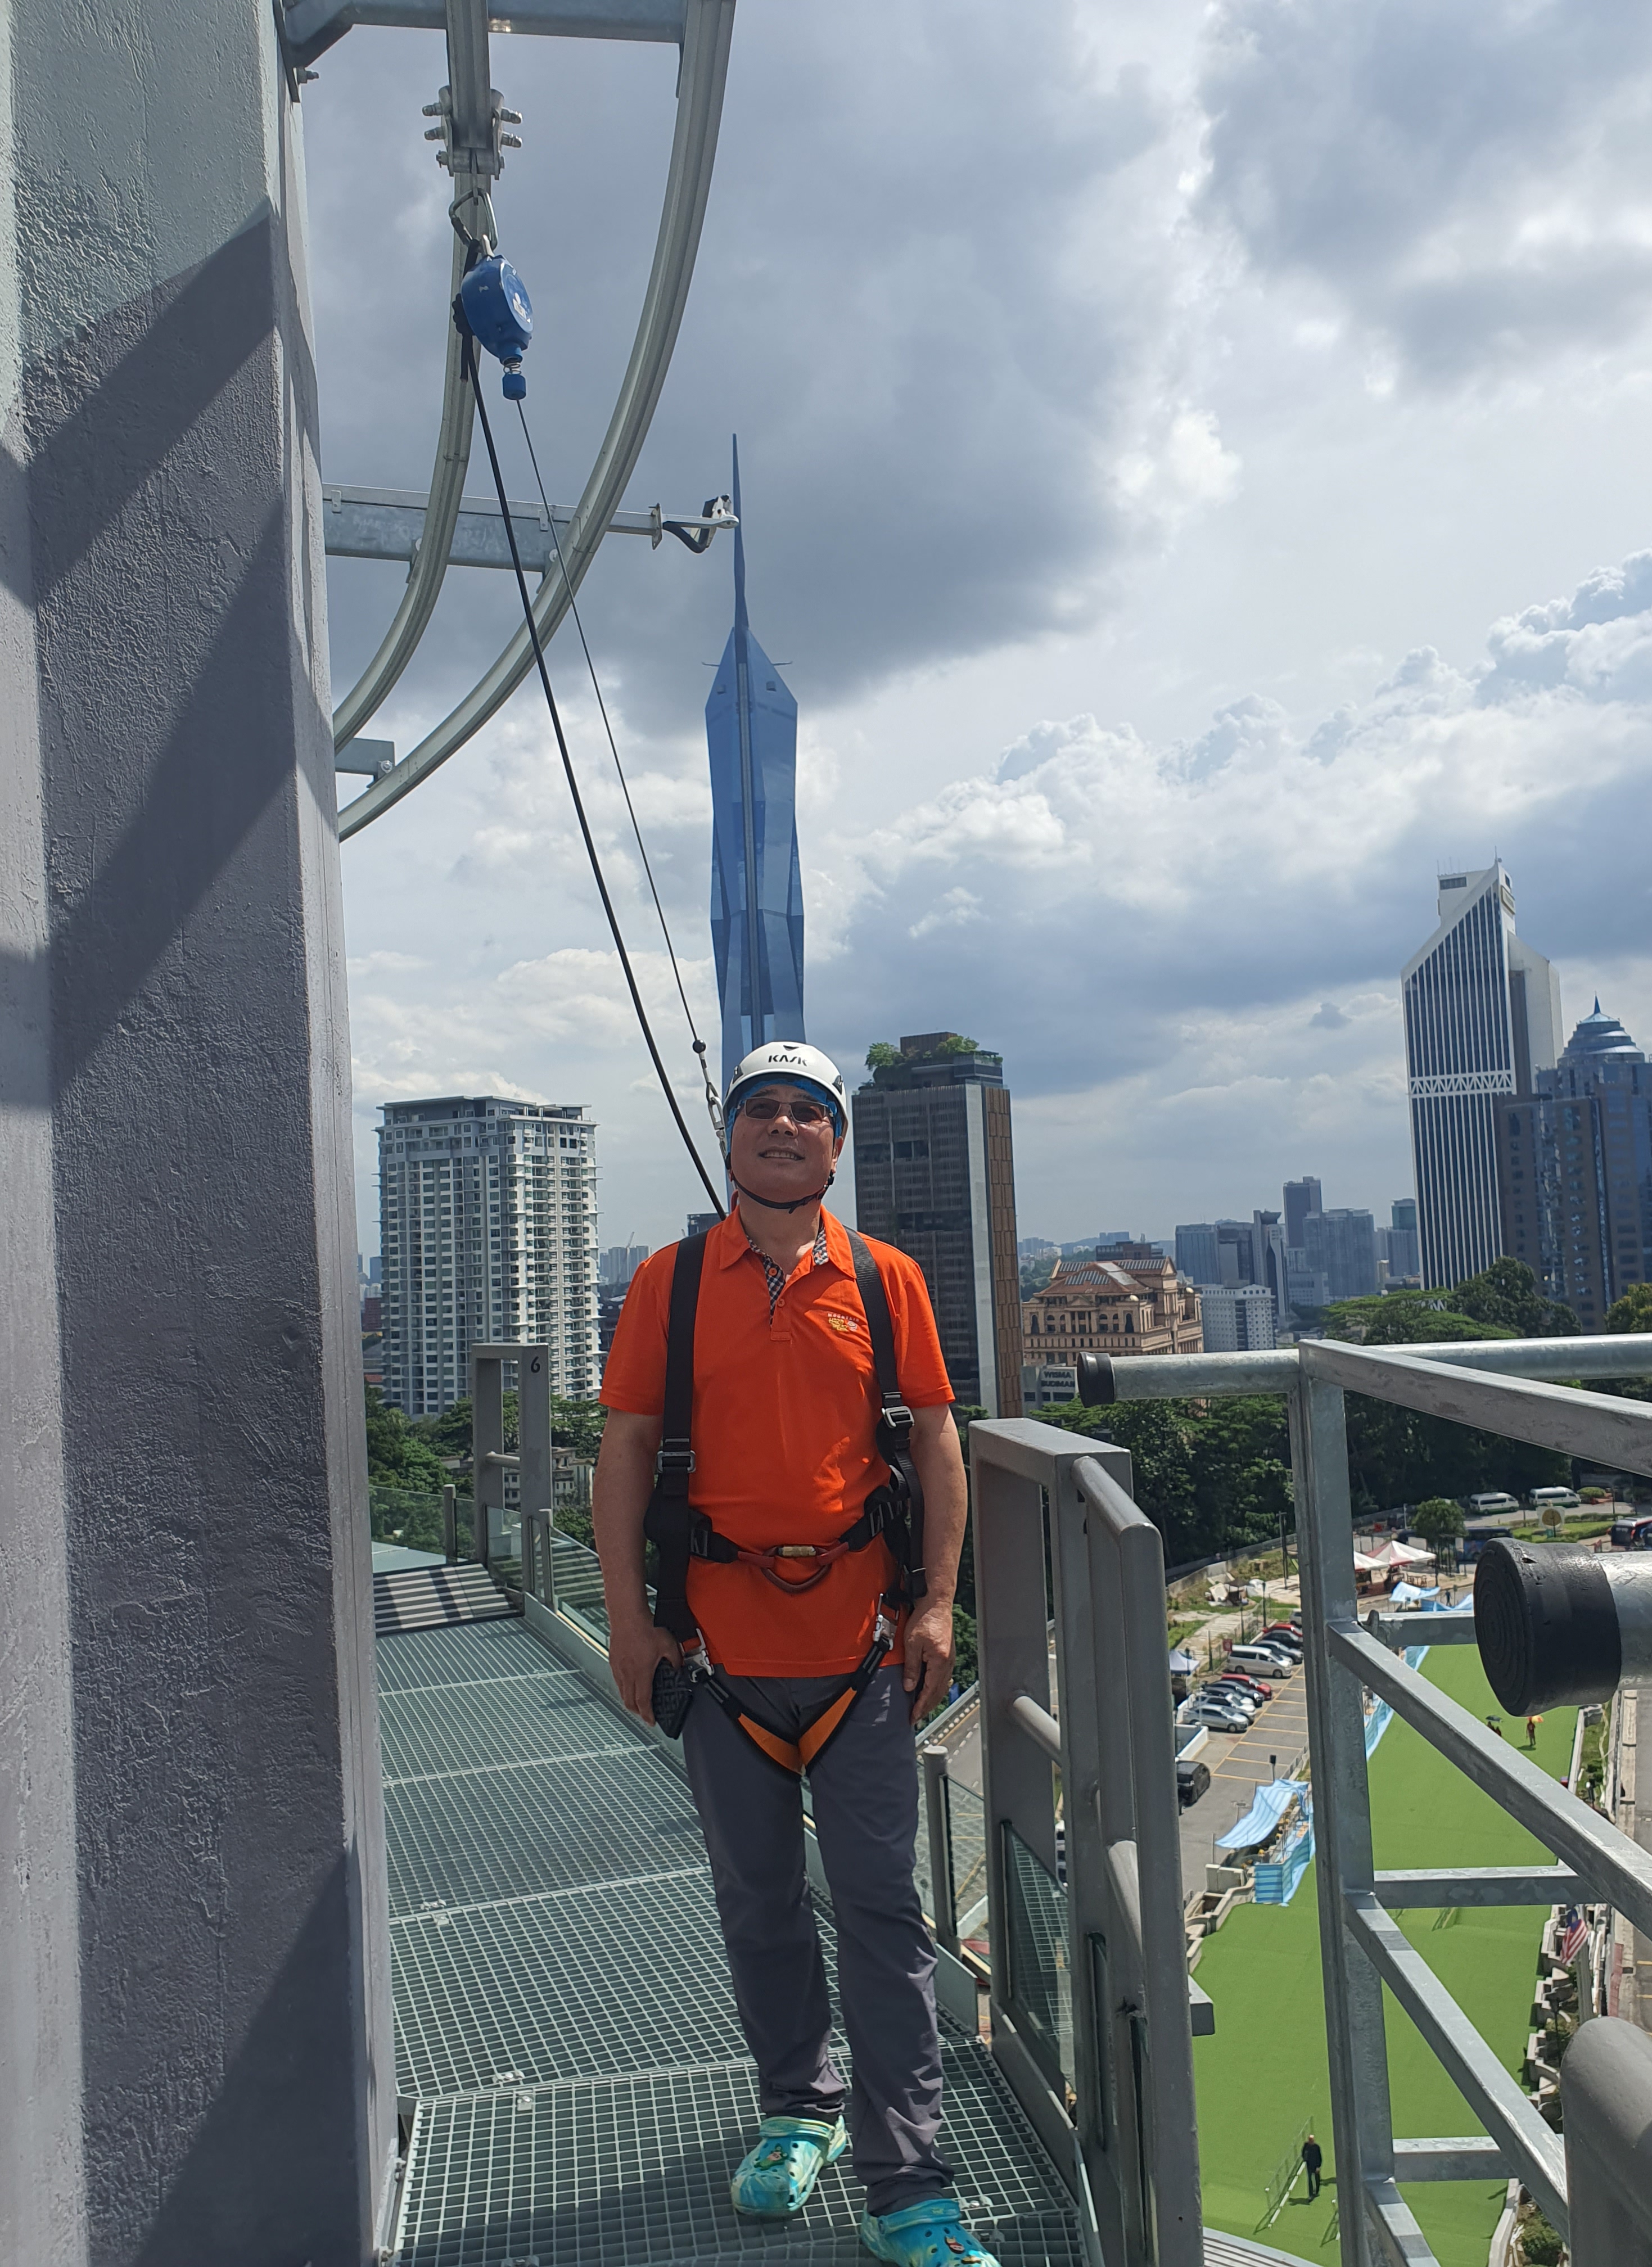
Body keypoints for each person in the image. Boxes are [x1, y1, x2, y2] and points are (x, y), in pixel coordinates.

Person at [594, 1042, 997, 2267]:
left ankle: (907, 2183)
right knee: (757, 1902)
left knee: (882, 1911)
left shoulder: (883, 1278)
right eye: (759, 1109)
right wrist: (627, 1620)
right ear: (730, 1139)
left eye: (805, 1111)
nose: (781, 1125)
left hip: (861, 1649)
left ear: (835, 1141)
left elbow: (935, 1444)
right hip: (717, 1652)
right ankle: (796, 2110)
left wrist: (936, 1604)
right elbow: (624, 1452)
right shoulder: (668, 1282)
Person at [1302, 2133, 1323, 2200]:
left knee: (1317, 2179)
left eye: (1311, 2140)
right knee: (1310, 2180)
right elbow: (1303, 2153)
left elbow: (1319, 2157)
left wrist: (1318, 2166)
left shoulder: (1317, 2147)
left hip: (1316, 2166)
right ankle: (1310, 2195)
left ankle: (1317, 2191)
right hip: (1309, 2166)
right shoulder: (1306, 2146)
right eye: (1310, 2140)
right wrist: (1305, 2159)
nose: (1310, 2141)